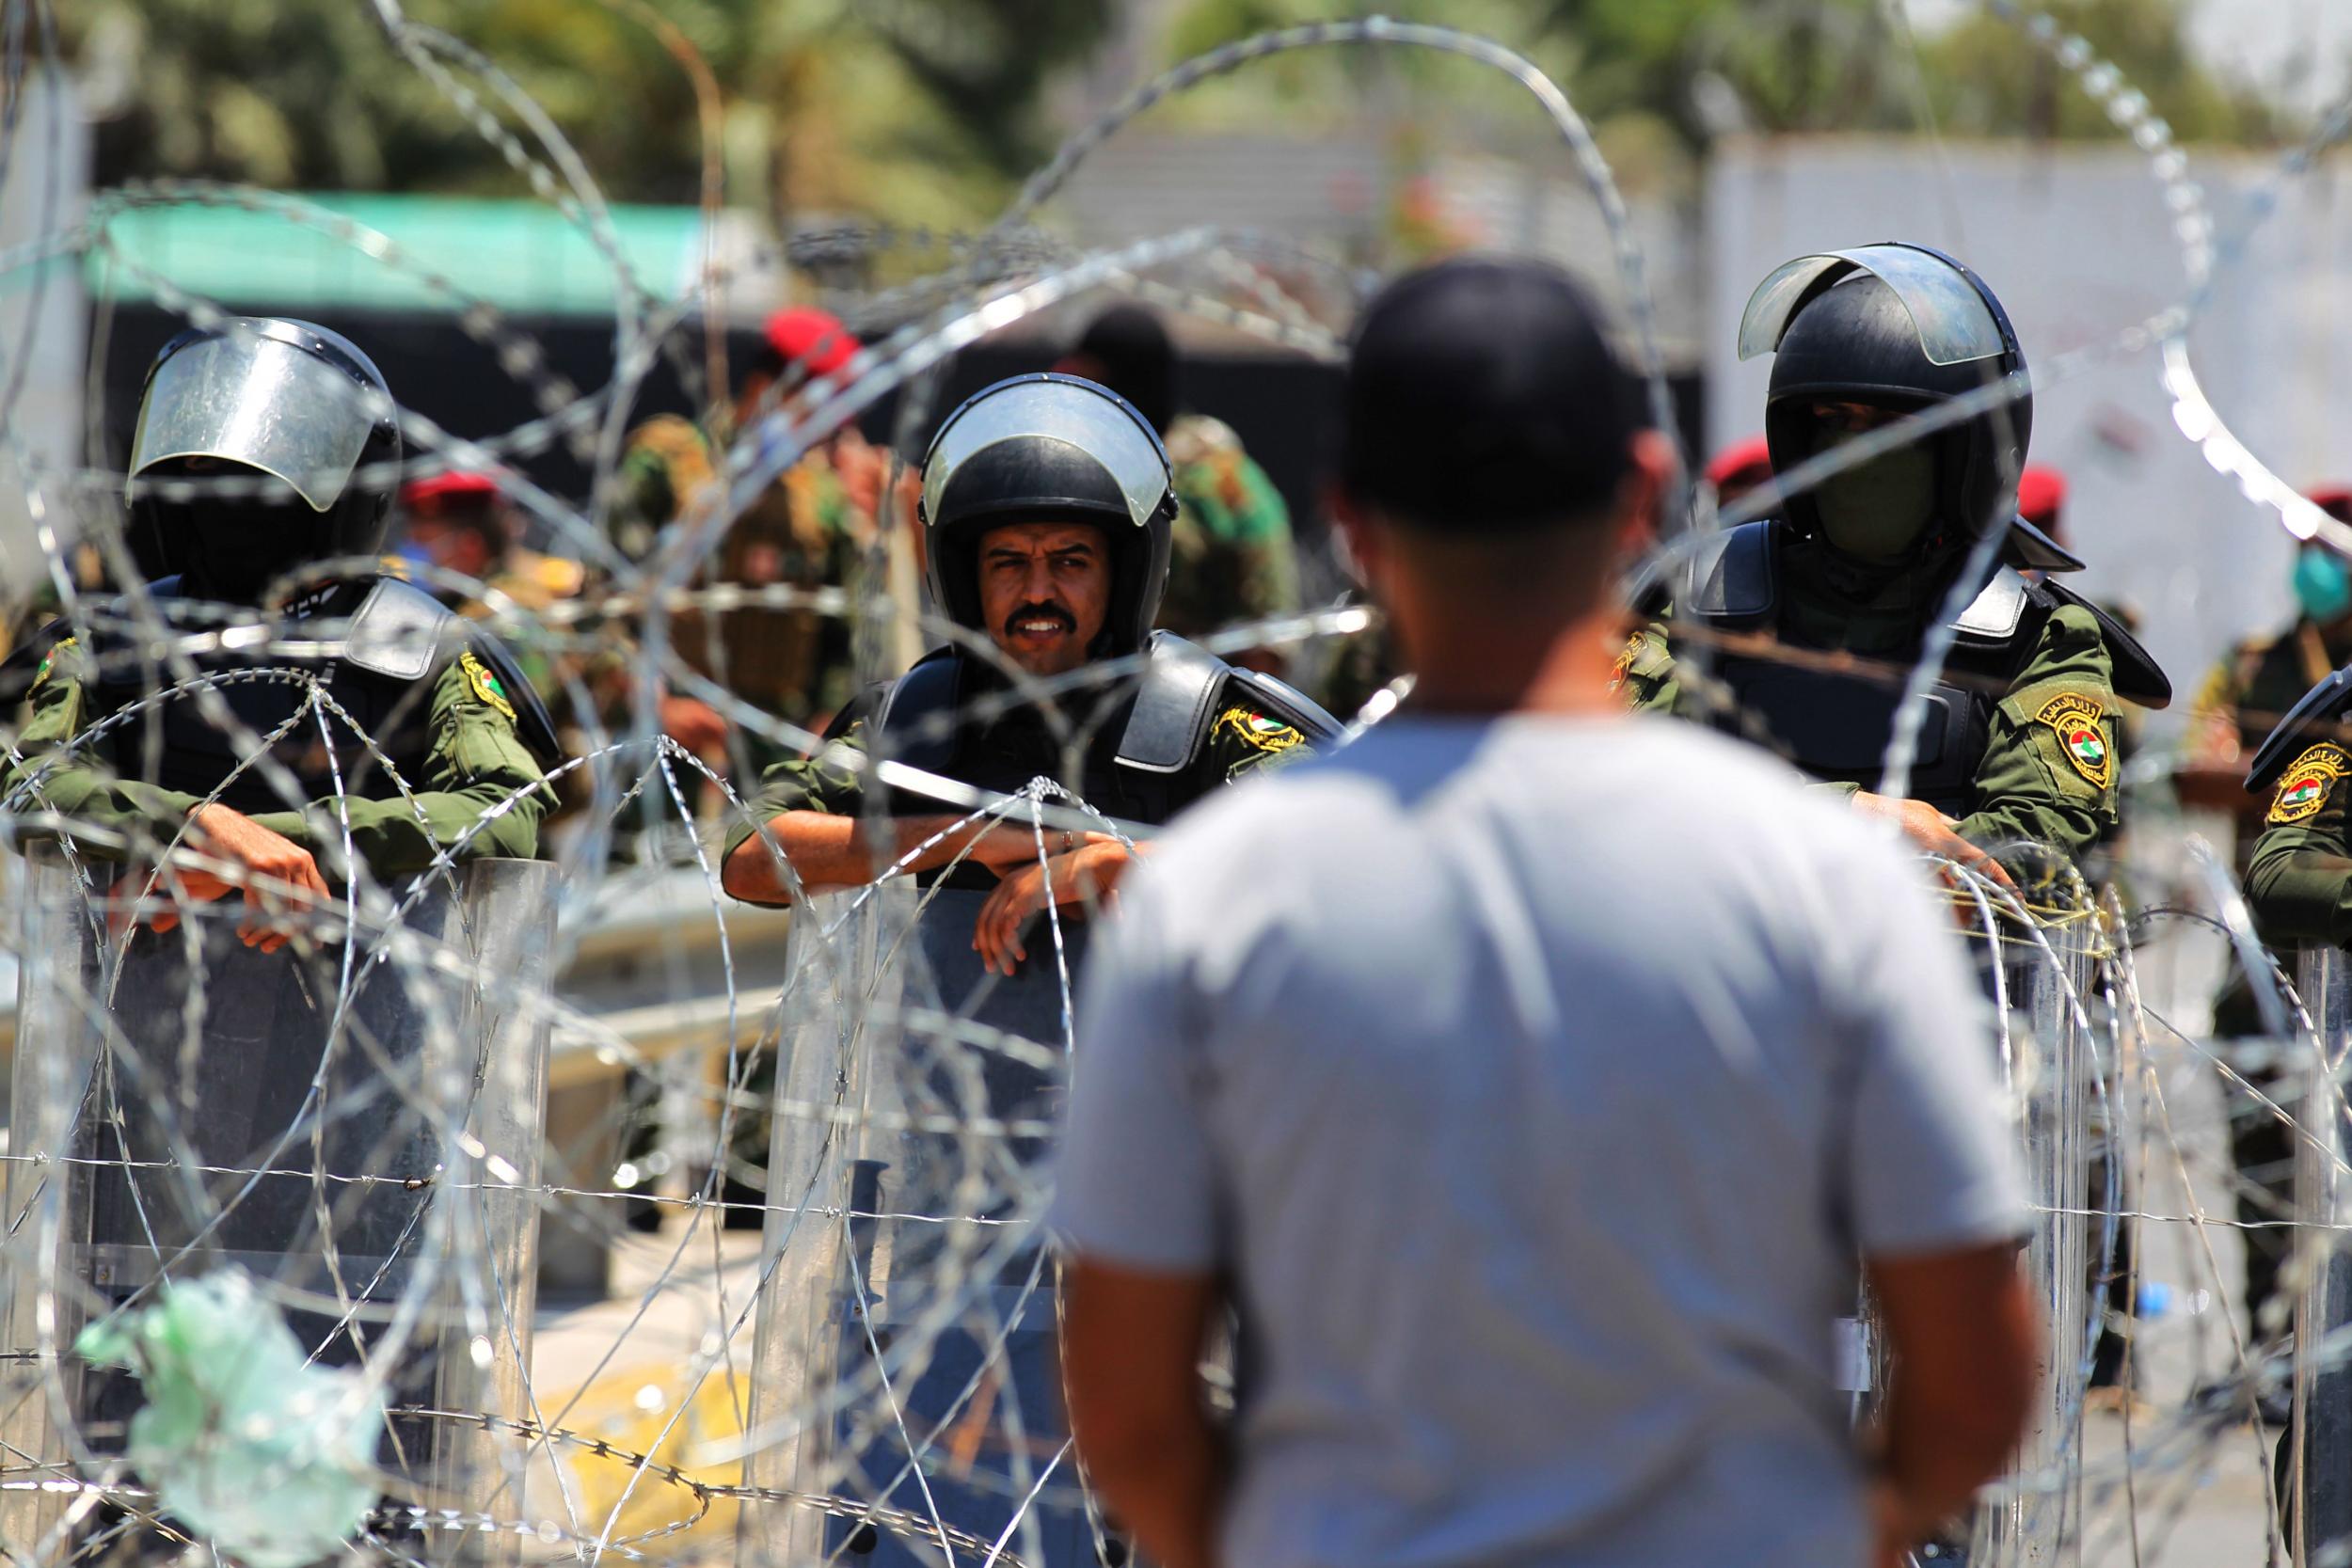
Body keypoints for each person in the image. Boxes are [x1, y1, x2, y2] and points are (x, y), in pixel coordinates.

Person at [1053, 256, 2039, 1568]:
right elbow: (1978, 1378)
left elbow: (1126, 1405)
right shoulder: (1830, 883)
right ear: (1642, 500)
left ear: (1350, 523)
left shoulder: (1214, 896)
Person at [718, 371, 1332, 967]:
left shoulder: (1205, 718)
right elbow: (750, 854)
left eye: (1070, 561)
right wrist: (964, 834)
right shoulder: (919, 718)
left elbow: (1339, 845)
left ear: (1123, 576)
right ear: (968, 581)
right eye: (1009, 563)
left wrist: (1126, 860)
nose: (1038, 590)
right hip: (950, 1068)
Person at [1617, 243, 2169, 885]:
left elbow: (2033, 850)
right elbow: (1623, 782)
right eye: (1834, 420)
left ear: (1964, 451)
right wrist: (1855, 815)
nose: (1856, 451)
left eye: (1890, 427)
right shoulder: (1701, 597)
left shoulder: (2037, 639)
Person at [2, 317, 560, 939]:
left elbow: (504, 812)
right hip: (138, 998)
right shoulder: (114, 640)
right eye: (200, 472)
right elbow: (34, 788)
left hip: (362, 1002)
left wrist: (295, 844)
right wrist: (194, 827)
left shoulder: (422, 647)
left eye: (259, 481)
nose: (224, 501)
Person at [2183, 487, 2352, 1345]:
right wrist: (2294, 771)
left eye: (2331, 547)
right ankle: (2273, 1341)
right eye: (2306, 548)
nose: (2317, 566)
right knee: (2266, 1157)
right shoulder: (2255, 665)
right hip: (2273, 948)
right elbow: (2199, 767)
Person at [610, 305, 895, 758]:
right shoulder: (670, 461)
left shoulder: (820, 500)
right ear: (771, 389)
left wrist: (826, 725)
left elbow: (843, 629)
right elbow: (604, 584)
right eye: (819, 414)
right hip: (665, 729)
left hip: (775, 743)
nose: (828, 434)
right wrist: (649, 697)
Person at [1057, 304, 1302, 673]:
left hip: (1194, 695)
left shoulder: (1219, 478)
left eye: (1094, 380)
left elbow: (1267, 629)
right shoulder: (1078, 464)